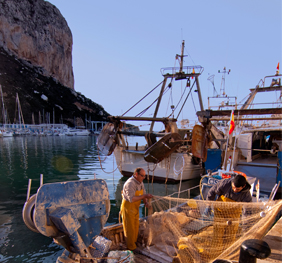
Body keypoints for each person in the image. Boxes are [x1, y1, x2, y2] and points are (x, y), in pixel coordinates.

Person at [205, 174, 252, 252]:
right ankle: (216, 251)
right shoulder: (225, 184)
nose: (234, 190)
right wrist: (208, 205)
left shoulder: (246, 195)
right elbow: (212, 191)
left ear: (243, 186)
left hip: (234, 214)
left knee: (231, 234)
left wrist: (245, 224)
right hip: (220, 211)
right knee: (218, 233)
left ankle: (228, 251)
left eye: (237, 189)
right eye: (233, 187)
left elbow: (247, 211)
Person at [120, 167, 153, 251]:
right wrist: (144, 196)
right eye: (142, 176)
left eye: (144, 176)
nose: (143, 178)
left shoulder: (140, 182)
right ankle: (131, 247)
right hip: (128, 208)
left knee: (135, 227)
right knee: (129, 229)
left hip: (135, 208)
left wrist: (145, 202)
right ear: (136, 174)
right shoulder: (130, 183)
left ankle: (134, 244)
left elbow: (144, 192)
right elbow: (131, 199)